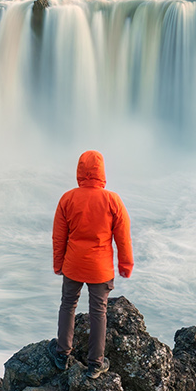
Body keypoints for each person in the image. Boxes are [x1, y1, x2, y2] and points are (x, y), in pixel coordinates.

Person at [52, 150, 133, 369]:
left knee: (68, 305)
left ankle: (62, 355)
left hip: (73, 264)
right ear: (101, 172)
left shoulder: (67, 198)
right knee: (99, 311)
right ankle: (96, 363)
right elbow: (123, 236)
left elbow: (59, 237)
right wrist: (125, 265)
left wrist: (58, 264)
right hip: (100, 268)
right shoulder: (112, 200)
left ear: (79, 171)